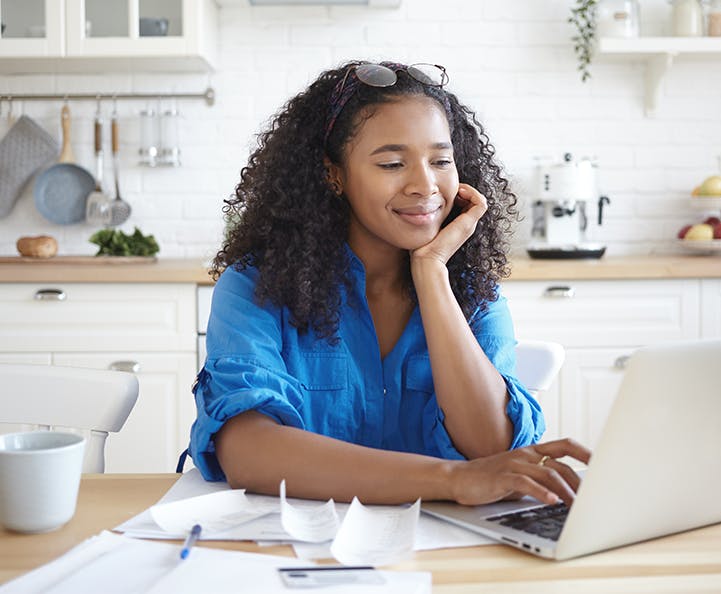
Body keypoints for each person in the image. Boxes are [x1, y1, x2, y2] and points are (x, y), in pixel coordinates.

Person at [188, 60, 590, 507]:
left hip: (449, 551)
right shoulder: (255, 287)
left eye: (440, 160)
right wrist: (452, 480)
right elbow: (249, 452)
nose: (425, 185)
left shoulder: (474, 293)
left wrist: (432, 273)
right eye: (393, 163)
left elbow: (493, 449)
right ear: (333, 174)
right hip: (298, 546)